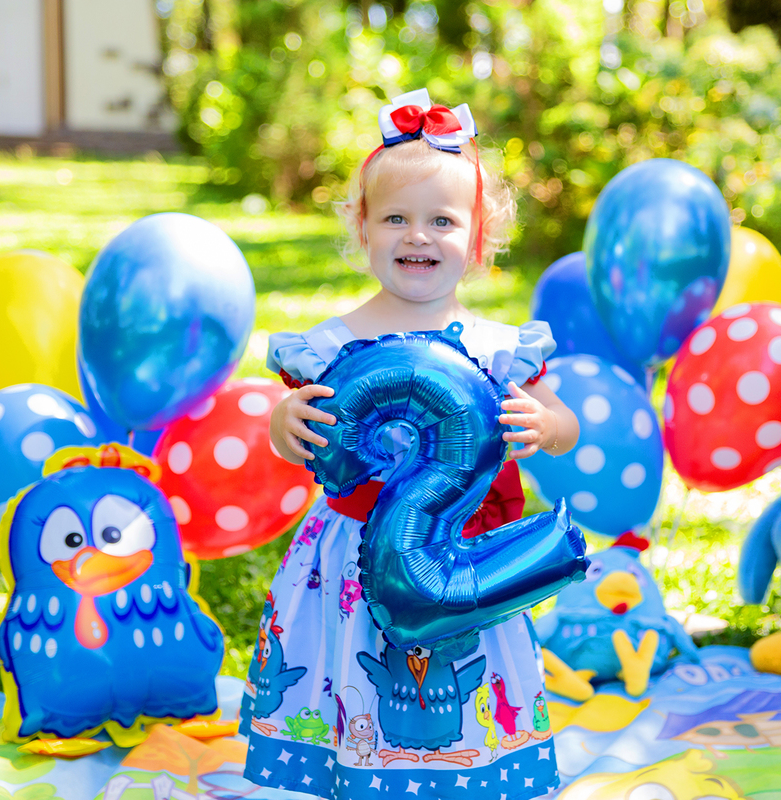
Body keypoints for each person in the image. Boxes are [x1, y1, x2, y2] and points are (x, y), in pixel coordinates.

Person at [240, 88, 580, 800]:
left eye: (441, 221)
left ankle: (466, 772)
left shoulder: (500, 348)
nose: (417, 236)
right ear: (362, 230)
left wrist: (546, 427)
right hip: (354, 552)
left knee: (464, 667)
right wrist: (284, 425)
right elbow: (290, 425)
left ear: (478, 238)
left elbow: (560, 419)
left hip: (464, 552)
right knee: (360, 669)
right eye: (395, 218)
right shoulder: (331, 343)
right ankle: (357, 767)